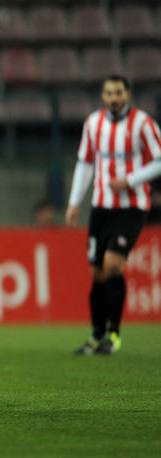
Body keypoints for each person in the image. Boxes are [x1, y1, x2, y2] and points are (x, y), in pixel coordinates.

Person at [66, 74, 161, 355]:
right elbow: (85, 163)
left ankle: (114, 334)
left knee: (112, 265)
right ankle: (96, 336)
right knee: (96, 272)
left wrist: (131, 180)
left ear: (127, 94)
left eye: (118, 92)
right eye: (109, 93)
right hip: (101, 206)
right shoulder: (93, 123)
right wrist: (74, 202)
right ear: (103, 95)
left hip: (132, 206)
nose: (114, 98)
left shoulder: (143, 123)